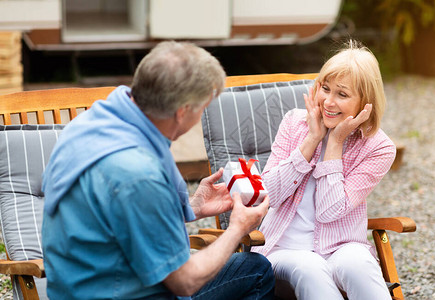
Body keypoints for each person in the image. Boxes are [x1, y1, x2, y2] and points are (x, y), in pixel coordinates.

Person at [41, 41, 274, 300]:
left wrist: (193, 207)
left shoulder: (89, 124)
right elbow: (184, 282)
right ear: (183, 111)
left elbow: (117, 217)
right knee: (257, 272)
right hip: (117, 293)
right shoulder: (138, 174)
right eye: (202, 107)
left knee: (253, 269)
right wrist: (237, 229)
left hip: (78, 284)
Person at [251, 40, 396, 300]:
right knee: (311, 267)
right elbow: (268, 192)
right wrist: (311, 140)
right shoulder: (295, 122)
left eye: (342, 94)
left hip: (342, 245)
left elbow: (331, 211)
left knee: (360, 266)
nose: (328, 102)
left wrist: (335, 144)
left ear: (366, 103)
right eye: (325, 89)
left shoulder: (379, 147)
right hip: (284, 248)